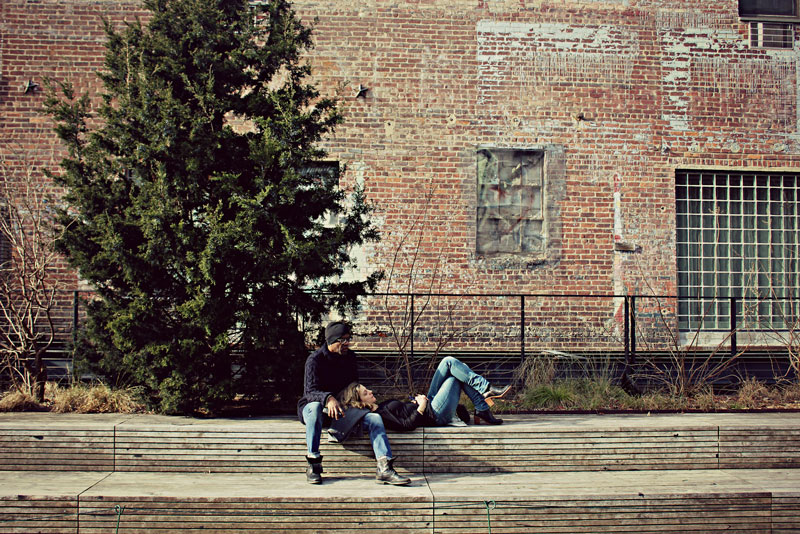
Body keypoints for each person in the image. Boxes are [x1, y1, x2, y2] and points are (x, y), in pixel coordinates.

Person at [297, 321, 410, 486]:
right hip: (315, 408)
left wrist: (361, 403)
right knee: (314, 407)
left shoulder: (350, 358)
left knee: (374, 419)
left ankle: (384, 467)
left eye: (348, 339)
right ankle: (313, 464)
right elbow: (310, 392)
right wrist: (329, 399)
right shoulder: (314, 360)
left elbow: (353, 387)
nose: (347, 344)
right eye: (343, 340)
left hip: (342, 409)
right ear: (331, 341)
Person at [339, 356, 511, 432]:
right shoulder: (379, 415)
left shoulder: (382, 405)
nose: (370, 391)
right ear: (360, 401)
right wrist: (420, 406)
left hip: (431, 403)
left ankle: (483, 398)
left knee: (451, 363)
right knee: (455, 379)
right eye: (365, 393)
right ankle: (484, 399)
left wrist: (416, 401)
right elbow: (406, 425)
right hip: (433, 415)